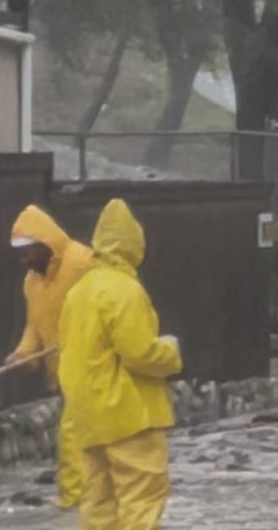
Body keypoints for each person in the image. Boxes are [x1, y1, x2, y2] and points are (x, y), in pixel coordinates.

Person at [59, 199, 182, 530]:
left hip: (90, 417)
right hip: (129, 415)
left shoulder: (78, 292)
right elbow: (139, 352)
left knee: (100, 503)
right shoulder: (125, 290)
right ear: (134, 243)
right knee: (141, 498)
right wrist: (170, 352)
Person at [5, 205, 95, 509]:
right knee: (76, 439)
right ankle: (83, 502)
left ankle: (79, 504)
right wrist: (23, 354)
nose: (23, 260)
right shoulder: (32, 283)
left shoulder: (83, 263)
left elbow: (108, 305)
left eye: (28, 251)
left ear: (46, 244)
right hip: (65, 373)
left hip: (94, 368)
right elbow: (36, 325)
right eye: (20, 253)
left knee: (77, 438)